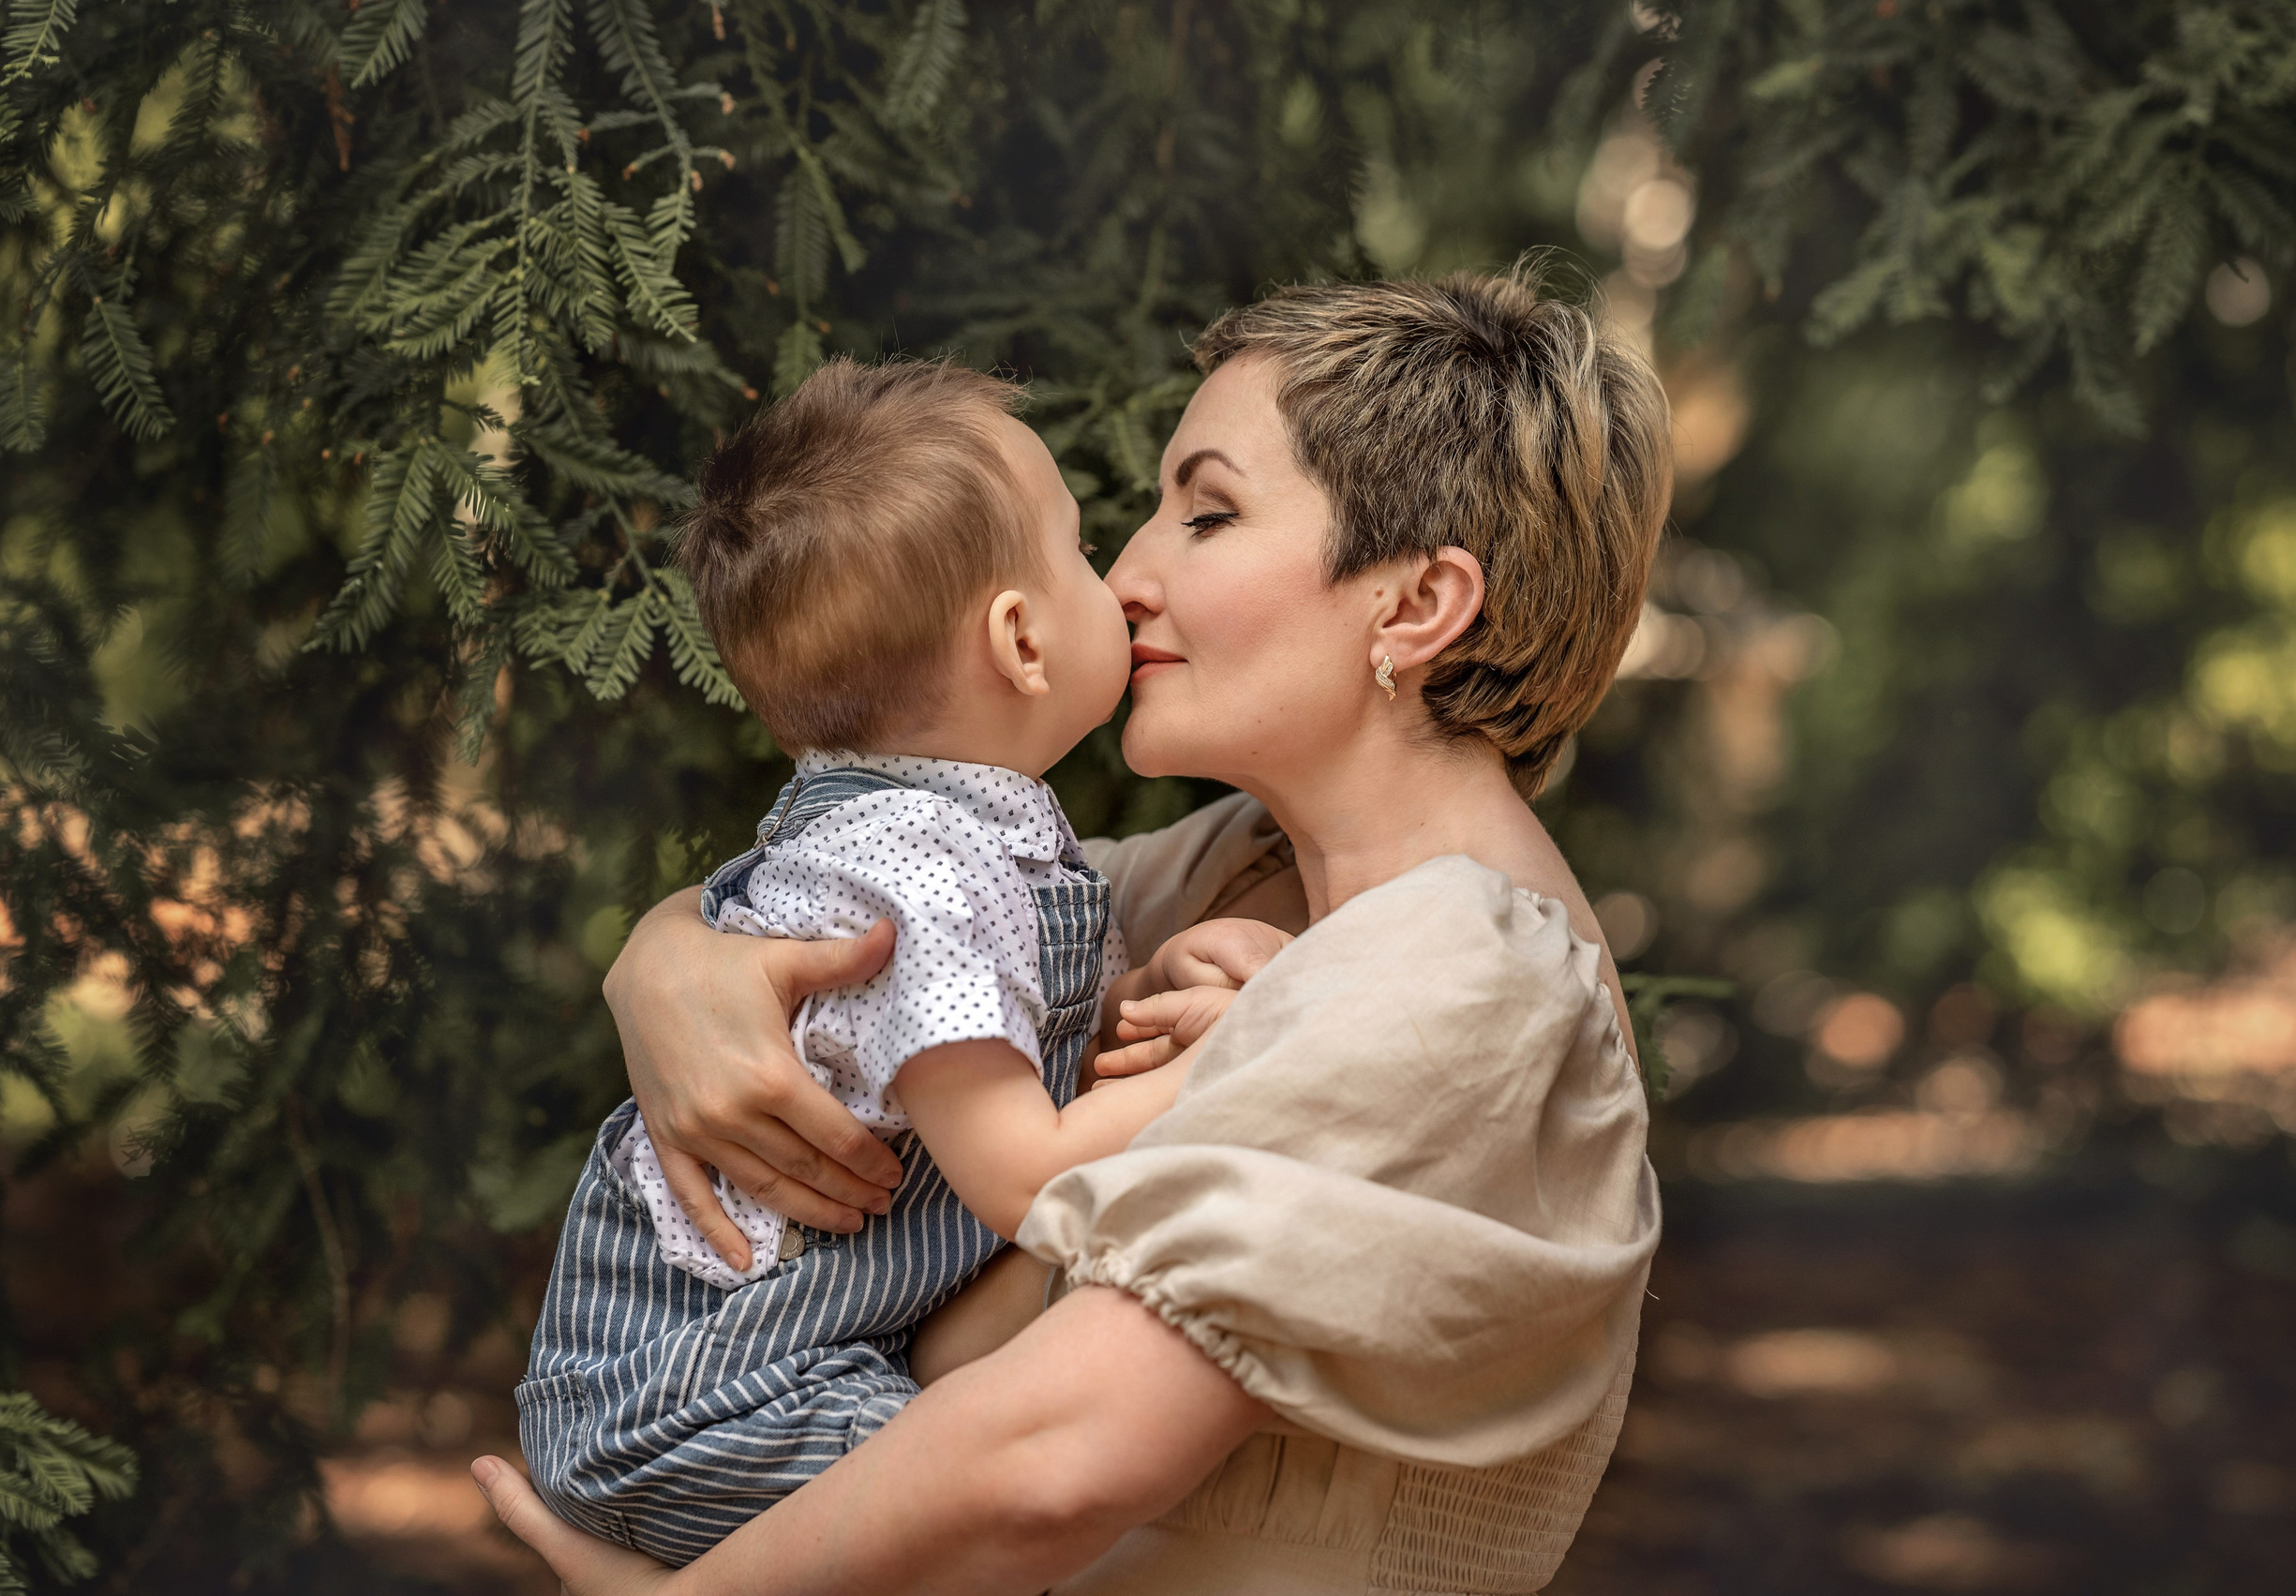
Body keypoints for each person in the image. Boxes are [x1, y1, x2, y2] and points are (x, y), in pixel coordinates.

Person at [475, 266, 1673, 1594]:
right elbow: (867, 905)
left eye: (1206, 514)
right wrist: (665, 962)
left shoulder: (1469, 977)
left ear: (1415, 606)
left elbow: (1053, 1454)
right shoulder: (1228, 872)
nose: (1127, 573)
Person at [519, 357, 1289, 1560]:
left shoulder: (953, 840)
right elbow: (1029, 1176)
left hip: (771, 1368)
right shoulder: (914, 869)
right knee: (993, 1512)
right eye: (1083, 551)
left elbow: (985, 1066)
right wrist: (1269, 1038)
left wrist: (1142, 1009)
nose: (1124, 581)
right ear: (1021, 638)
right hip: (699, 1395)